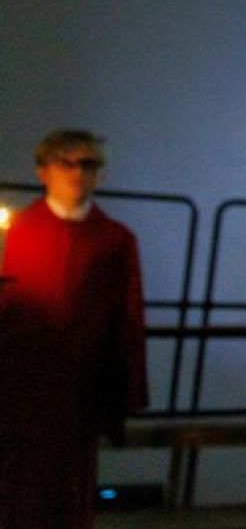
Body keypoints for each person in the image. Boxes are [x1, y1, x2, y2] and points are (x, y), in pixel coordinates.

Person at [0, 130, 147, 529]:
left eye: (88, 164)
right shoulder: (18, 231)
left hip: (82, 388)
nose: (77, 172)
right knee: (17, 488)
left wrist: (126, 393)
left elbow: (129, 319)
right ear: (43, 171)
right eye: (66, 162)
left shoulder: (115, 241)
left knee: (69, 490)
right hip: (20, 387)